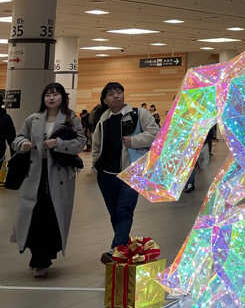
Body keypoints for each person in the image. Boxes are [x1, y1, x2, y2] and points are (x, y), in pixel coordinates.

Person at [9, 82, 85, 277]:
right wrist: (23, 144)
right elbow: (17, 138)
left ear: (62, 98)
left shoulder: (71, 119)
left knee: (52, 215)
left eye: (55, 94)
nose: (51, 98)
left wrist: (58, 143)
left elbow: (80, 143)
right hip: (34, 175)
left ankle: (45, 257)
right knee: (34, 215)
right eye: (48, 95)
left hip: (58, 176)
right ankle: (38, 257)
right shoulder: (33, 119)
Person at [92, 82, 157, 260]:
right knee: (115, 214)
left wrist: (134, 141)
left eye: (119, 92)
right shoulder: (102, 120)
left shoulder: (138, 114)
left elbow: (156, 134)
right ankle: (124, 247)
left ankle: (116, 249)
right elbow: (96, 145)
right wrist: (95, 165)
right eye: (111, 93)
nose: (117, 96)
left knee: (124, 210)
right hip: (106, 175)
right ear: (105, 100)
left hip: (132, 172)